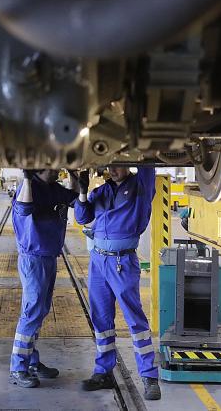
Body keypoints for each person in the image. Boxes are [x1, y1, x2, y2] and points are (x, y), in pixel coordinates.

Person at [74, 165, 162, 401]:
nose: (112, 170)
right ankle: (103, 372)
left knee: (134, 318)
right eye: (109, 165)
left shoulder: (140, 186)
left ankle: (149, 376)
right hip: (98, 262)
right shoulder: (102, 191)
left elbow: (147, 164)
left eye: (118, 164)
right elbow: (82, 218)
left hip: (122, 262)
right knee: (101, 318)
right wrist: (82, 193)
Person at [9, 169, 81, 388]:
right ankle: (18, 366)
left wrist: (75, 175)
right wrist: (27, 179)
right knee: (32, 312)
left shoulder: (54, 188)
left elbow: (73, 198)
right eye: (52, 166)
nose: (56, 169)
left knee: (40, 311)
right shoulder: (28, 188)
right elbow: (24, 209)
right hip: (33, 258)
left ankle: (31, 361)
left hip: (49, 256)